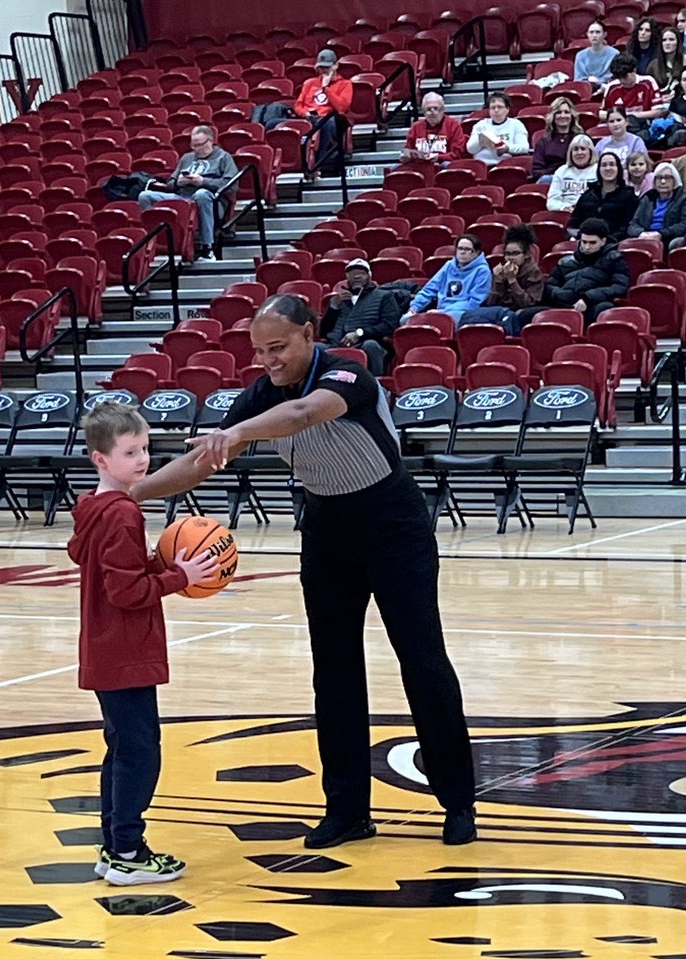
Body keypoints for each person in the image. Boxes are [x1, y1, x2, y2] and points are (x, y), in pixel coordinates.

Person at [131, 293, 479, 850]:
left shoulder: (350, 372)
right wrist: (130, 495)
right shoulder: (259, 395)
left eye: (278, 348)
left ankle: (458, 802)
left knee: (422, 661)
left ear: (310, 335)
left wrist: (241, 433)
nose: (268, 360)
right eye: (259, 351)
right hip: (326, 532)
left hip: (395, 528)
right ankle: (347, 811)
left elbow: (303, 414)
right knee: (334, 672)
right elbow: (202, 461)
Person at [66, 402, 216, 885]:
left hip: (103, 648)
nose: (143, 460)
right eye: (130, 452)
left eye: (146, 449)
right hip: (126, 650)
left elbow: (107, 567)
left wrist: (151, 563)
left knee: (121, 749)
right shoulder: (123, 513)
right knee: (141, 752)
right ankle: (127, 851)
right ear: (100, 460)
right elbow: (125, 592)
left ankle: (115, 846)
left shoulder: (94, 508)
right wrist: (178, 575)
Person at [138, 125, 238, 262]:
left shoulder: (223, 157)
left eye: (199, 145)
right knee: (145, 196)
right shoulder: (187, 158)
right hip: (182, 196)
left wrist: (203, 181)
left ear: (210, 141)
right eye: (193, 145)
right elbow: (170, 184)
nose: (196, 149)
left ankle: (208, 248)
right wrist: (179, 182)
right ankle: (157, 243)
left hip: (211, 200)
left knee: (201, 194)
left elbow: (231, 186)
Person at [512, 218, 630, 333]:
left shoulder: (614, 259)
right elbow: (549, 285)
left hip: (591, 306)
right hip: (562, 304)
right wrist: (560, 294)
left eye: (592, 243)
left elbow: (619, 287)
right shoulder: (566, 261)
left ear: (603, 241)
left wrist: (588, 297)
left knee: (604, 309)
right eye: (584, 242)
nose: (587, 247)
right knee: (524, 315)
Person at [319, 258, 401, 375]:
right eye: (352, 274)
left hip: (366, 342)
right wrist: (334, 307)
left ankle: (376, 385)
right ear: (346, 277)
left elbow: (389, 326)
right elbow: (323, 331)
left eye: (361, 273)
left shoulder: (384, 296)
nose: (356, 277)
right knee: (314, 348)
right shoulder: (338, 300)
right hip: (336, 344)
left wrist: (359, 333)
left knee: (371, 346)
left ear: (369, 276)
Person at [458, 223, 544, 332]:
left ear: (526, 254)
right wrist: (498, 281)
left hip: (519, 317)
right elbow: (490, 304)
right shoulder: (502, 270)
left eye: (515, 254)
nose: (510, 258)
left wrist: (512, 281)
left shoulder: (534, 272)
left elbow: (528, 304)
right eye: (507, 254)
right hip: (499, 313)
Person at [401, 233, 492, 328]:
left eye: (467, 249)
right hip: (440, 311)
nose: (462, 252)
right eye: (460, 248)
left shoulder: (482, 270)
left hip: (464, 313)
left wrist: (443, 312)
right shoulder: (449, 265)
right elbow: (429, 289)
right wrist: (414, 308)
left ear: (476, 253)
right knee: (407, 320)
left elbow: (474, 302)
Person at [293, 49, 353, 177]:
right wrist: (305, 113)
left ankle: (315, 166)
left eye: (327, 67)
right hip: (309, 117)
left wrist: (326, 89)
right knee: (273, 124)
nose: (324, 70)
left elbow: (341, 108)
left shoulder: (345, 84)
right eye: (321, 67)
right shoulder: (310, 83)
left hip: (331, 120)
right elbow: (298, 105)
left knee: (326, 123)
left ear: (335, 66)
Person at [568, 152, 639, 240]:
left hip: (613, 246)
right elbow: (572, 225)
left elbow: (626, 229)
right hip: (584, 244)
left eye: (612, 165)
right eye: (604, 165)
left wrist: (604, 241)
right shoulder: (588, 195)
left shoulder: (629, 197)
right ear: (599, 169)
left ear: (618, 169)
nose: (608, 168)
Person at [626, 161, 686, 246]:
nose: (663, 181)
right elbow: (633, 224)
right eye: (659, 178)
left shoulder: (683, 199)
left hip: (668, 238)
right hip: (645, 237)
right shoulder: (647, 198)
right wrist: (641, 233)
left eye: (667, 178)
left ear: (675, 181)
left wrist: (661, 234)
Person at [599, 55, 666, 131]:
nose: (622, 81)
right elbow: (602, 114)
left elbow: (658, 111)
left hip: (644, 126)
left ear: (634, 71)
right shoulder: (611, 87)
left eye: (625, 77)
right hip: (619, 127)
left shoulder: (648, 82)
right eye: (619, 78)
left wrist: (630, 116)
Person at [401, 92, 467, 166]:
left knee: (446, 165)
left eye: (436, 109)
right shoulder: (416, 127)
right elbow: (408, 149)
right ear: (424, 112)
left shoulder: (453, 126)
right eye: (429, 109)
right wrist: (406, 155)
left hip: (442, 164)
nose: (433, 113)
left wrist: (438, 157)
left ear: (442, 110)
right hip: (420, 165)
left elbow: (457, 154)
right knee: (395, 168)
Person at [466, 92, 530, 165]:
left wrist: (508, 148)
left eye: (500, 107)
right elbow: (470, 149)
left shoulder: (516, 124)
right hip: (483, 165)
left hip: (507, 164)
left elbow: (524, 148)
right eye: (493, 108)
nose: (496, 110)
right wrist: (480, 141)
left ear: (507, 109)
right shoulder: (480, 125)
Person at [532, 98, 584, 181]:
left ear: (572, 116)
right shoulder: (543, 141)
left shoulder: (581, 138)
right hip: (550, 178)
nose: (562, 116)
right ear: (553, 116)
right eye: (558, 112)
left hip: (577, 177)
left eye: (566, 112)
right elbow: (536, 170)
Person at [547, 135, 598, 211]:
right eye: (575, 149)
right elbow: (551, 202)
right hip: (565, 212)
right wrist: (565, 208)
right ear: (570, 153)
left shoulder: (598, 170)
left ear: (590, 152)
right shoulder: (561, 171)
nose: (579, 153)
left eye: (583, 149)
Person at [651, 25, 686, 98]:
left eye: (671, 39)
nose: (667, 43)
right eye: (664, 40)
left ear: (678, 42)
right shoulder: (654, 65)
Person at [575, 20, 619, 87]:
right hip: (586, 89)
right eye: (591, 32)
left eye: (598, 32)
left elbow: (616, 77)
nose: (594, 35)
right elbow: (578, 79)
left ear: (604, 34)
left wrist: (599, 82)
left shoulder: (614, 54)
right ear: (587, 34)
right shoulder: (580, 55)